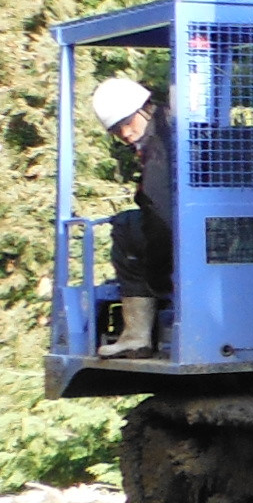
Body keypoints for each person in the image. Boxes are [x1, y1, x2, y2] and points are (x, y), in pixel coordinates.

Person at [90, 73, 175, 356]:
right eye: (117, 130)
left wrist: (159, 274)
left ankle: (136, 335)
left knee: (126, 226)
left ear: (143, 108)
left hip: (181, 229)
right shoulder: (174, 124)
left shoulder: (159, 146)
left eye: (127, 123)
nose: (125, 134)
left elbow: (159, 212)